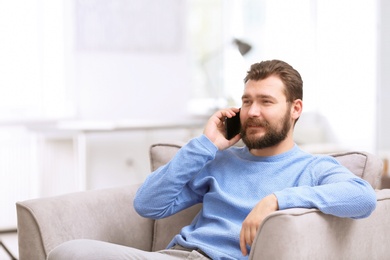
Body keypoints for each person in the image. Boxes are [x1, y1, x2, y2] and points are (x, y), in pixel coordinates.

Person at [48, 60, 377, 260]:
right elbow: (148, 204)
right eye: (247, 101)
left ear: (295, 109)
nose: (253, 112)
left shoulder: (313, 168)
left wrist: (275, 200)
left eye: (266, 101)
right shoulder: (220, 160)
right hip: (177, 255)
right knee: (70, 251)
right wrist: (206, 144)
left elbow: (362, 198)